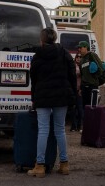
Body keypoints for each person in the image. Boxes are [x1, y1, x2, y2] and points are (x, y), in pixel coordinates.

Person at [27, 28, 77, 177]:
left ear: (42, 40)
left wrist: (34, 98)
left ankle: (40, 166)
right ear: (54, 39)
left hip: (43, 96)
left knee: (43, 130)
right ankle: (64, 164)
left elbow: (33, 80)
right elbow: (72, 74)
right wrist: (72, 94)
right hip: (62, 95)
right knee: (60, 130)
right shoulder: (64, 53)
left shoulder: (37, 56)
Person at [76, 41, 104, 111]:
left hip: (92, 86)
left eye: (81, 47)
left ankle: (93, 121)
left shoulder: (92, 55)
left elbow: (100, 69)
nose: (79, 49)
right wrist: (80, 89)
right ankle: (86, 121)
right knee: (85, 108)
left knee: (93, 107)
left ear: (86, 47)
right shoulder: (82, 60)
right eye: (78, 48)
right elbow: (82, 75)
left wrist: (94, 74)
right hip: (84, 88)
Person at [68, 53, 83, 132]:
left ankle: (79, 125)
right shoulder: (73, 66)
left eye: (80, 57)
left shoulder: (83, 66)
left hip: (80, 90)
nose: (78, 58)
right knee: (73, 108)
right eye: (77, 57)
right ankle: (73, 126)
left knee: (80, 109)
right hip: (73, 90)